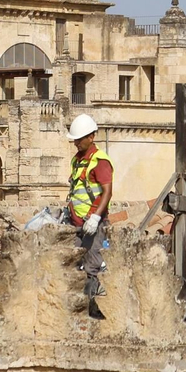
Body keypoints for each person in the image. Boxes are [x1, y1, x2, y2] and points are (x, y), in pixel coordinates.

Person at [66, 113, 112, 318]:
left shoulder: (100, 161)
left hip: (94, 222)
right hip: (76, 221)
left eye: (79, 139)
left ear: (91, 137)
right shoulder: (77, 160)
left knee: (93, 266)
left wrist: (95, 217)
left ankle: (94, 311)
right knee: (74, 264)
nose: (76, 142)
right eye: (74, 139)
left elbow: (107, 192)